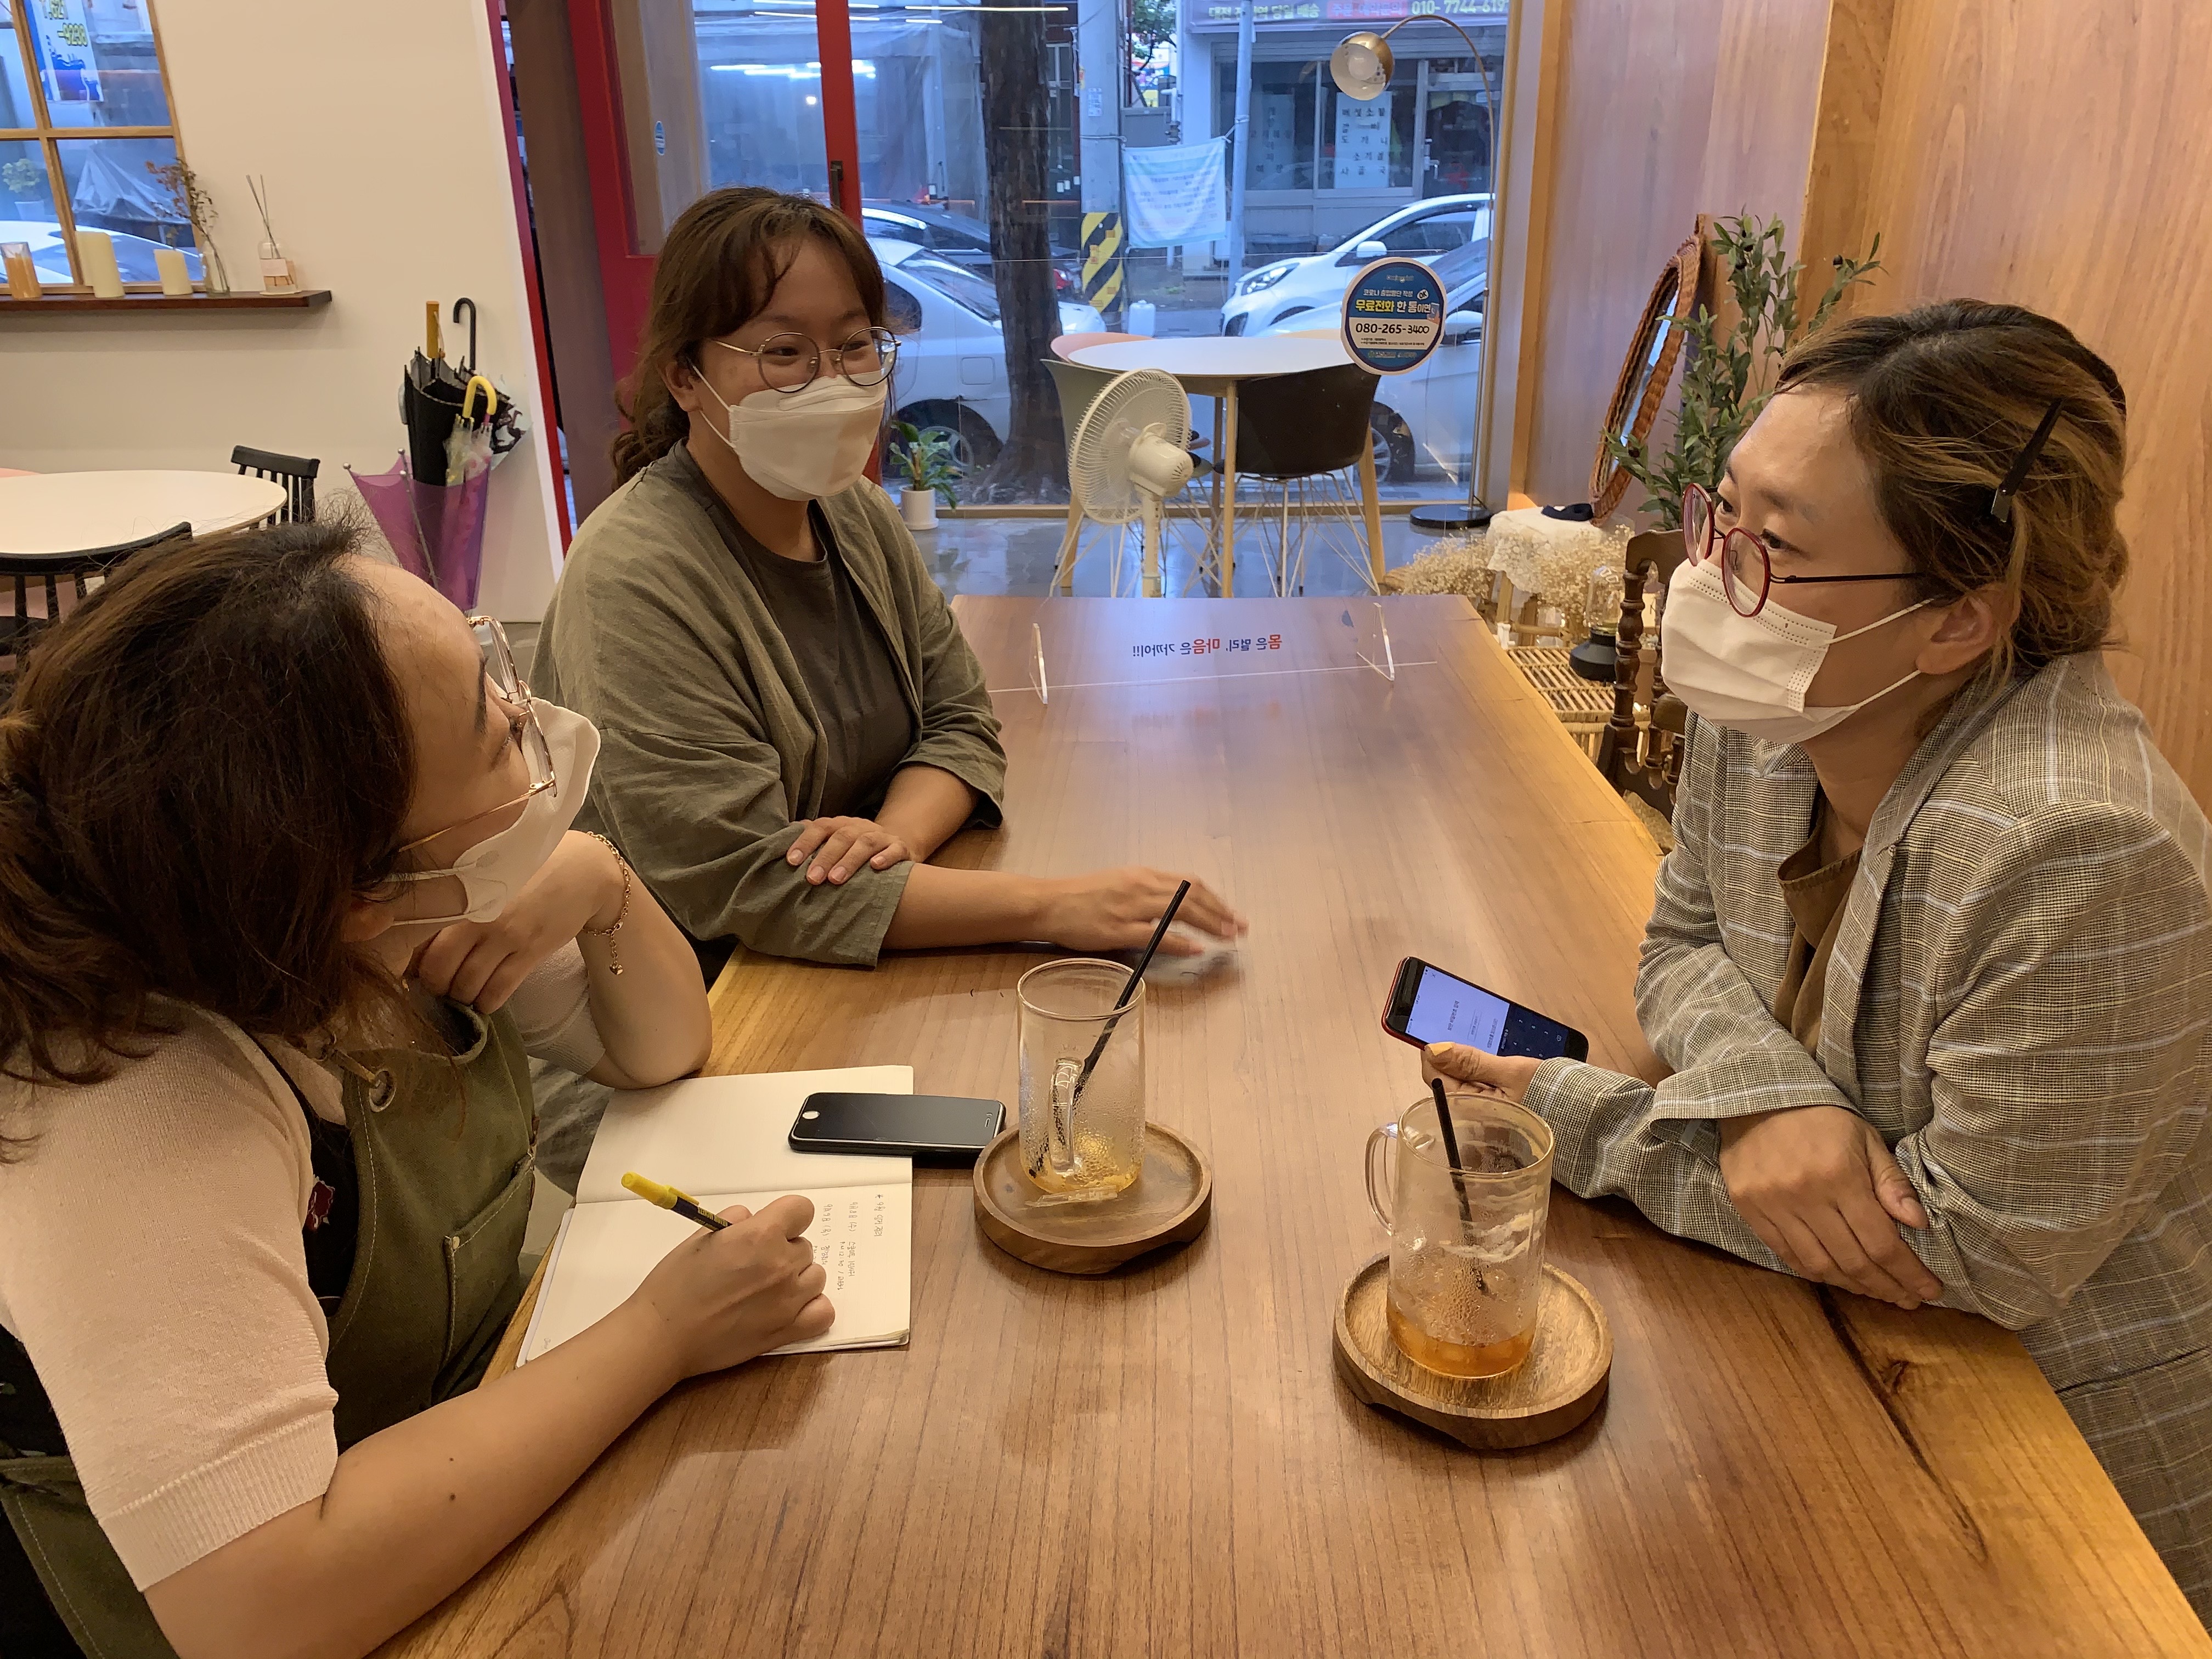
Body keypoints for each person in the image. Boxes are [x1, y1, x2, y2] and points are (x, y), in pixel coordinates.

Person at [1424, 301, 2212, 1619]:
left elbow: (1973, 1251)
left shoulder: (2078, 847)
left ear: (1956, 622)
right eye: (1720, 513)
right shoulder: (1787, 700)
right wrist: (1771, 1100)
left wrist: (1583, 1122)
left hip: (2048, 1473)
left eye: (1772, 546)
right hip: (1808, 1345)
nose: (1709, 573)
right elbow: (1682, 944)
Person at [0, 521, 834, 1659]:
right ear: (361, 891)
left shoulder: (386, 909)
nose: (531, 720)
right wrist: (661, 1332)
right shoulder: (133, 1101)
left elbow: (661, 1048)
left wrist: (600, 883)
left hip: (460, 1458)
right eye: (497, 728)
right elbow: (258, 1610)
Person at [530, 185, 1240, 1187]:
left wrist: (890, 843)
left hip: (837, 976)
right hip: (677, 1051)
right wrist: (1057, 907)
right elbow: (750, 883)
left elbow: (959, 721)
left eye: (856, 345)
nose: (831, 380)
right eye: (784, 351)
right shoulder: (635, 579)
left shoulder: (851, 513)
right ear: (686, 376)